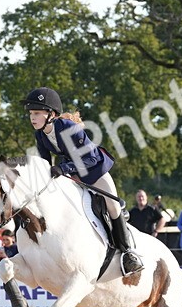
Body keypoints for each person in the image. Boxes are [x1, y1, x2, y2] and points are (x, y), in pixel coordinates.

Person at [23, 86, 142, 275]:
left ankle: (129, 253)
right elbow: (45, 164)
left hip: (95, 170)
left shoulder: (68, 128)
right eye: (31, 113)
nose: (32, 117)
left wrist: (63, 169)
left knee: (112, 206)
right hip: (73, 173)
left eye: (37, 113)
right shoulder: (40, 135)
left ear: (51, 114)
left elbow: (90, 159)